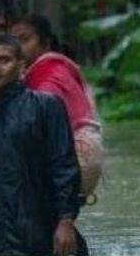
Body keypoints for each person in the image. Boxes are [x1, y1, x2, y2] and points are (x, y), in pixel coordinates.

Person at [0, 33, 86, 256]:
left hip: (37, 224)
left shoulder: (46, 106)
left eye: (4, 60)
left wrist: (65, 221)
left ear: (21, 66)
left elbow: (65, 166)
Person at [11, 14, 104, 197]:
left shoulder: (48, 77)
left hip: (74, 162)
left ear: (45, 43)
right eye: (13, 41)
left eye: (25, 40)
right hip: (84, 158)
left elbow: (37, 131)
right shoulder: (56, 67)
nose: (17, 48)